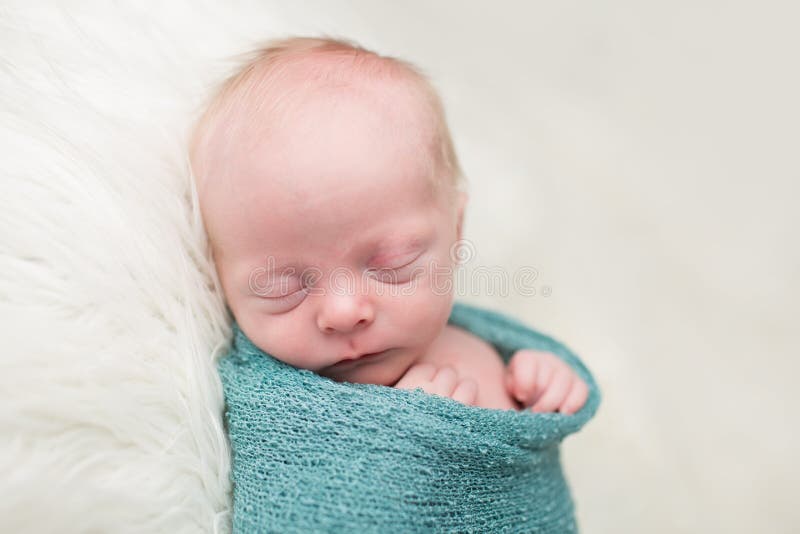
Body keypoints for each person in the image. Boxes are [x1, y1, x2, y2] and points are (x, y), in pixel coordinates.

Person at [189, 36, 588, 413]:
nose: (344, 313)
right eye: (284, 289)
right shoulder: (281, 402)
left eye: (392, 265)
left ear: (457, 230)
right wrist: (404, 440)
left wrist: (542, 382)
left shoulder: (473, 338)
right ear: (219, 278)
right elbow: (305, 482)